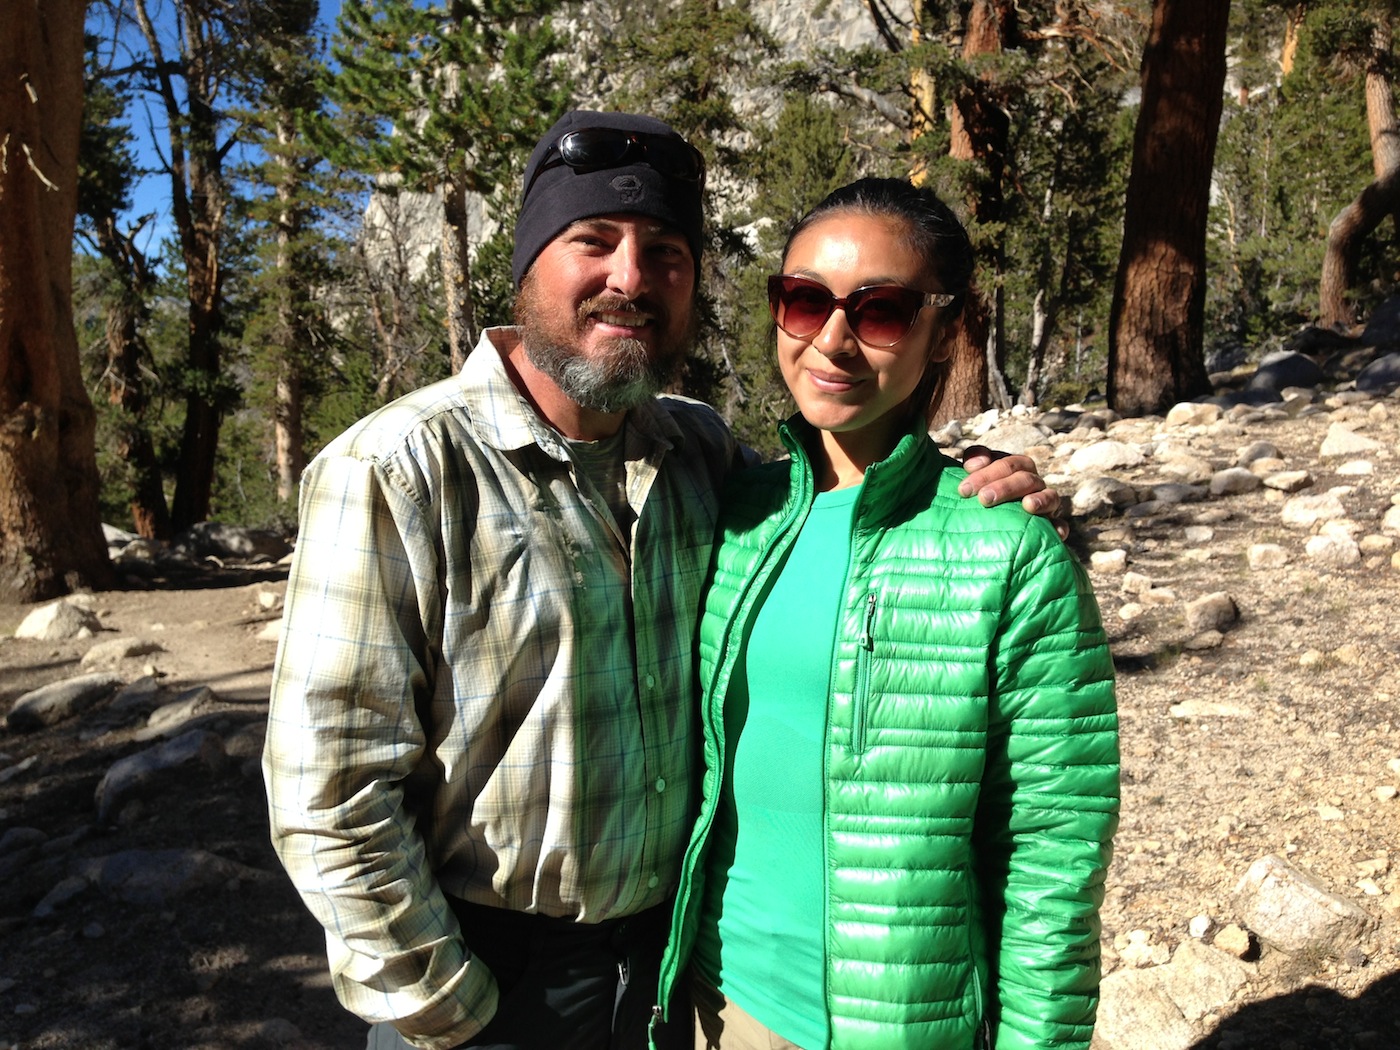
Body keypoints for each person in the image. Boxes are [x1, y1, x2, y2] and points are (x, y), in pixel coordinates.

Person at [262, 113, 1059, 1050]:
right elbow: (329, 789)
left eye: (667, 252)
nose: (631, 279)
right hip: (490, 984)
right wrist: (445, 1006)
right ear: (527, 265)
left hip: (671, 976)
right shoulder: (397, 470)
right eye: (591, 241)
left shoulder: (699, 453)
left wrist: (984, 491)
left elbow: (847, 501)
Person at [653, 178, 1120, 1050]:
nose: (832, 340)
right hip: (714, 1007)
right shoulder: (732, 512)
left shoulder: (1007, 547)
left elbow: (1053, 850)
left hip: (899, 1025)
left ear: (942, 331)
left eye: (881, 313)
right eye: (803, 301)